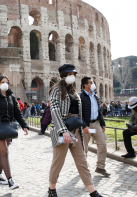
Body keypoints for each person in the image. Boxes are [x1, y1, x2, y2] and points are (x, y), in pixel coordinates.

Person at [48, 64, 103, 197]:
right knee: (58, 162)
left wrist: (84, 125)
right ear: (63, 75)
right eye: (70, 74)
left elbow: (79, 112)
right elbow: (54, 110)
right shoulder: (56, 90)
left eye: (73, 73)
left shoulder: (73, 91)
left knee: (82, 162)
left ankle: (93, 192)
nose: (72, 76)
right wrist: (63, 131)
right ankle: (52, 189)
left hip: (76, 130)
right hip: (62, 129)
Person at [80, 77, 109, 177]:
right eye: (90, 82)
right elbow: (79, 114)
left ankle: (100, 167)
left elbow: (99, 111)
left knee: (103, 144)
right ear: (85, 85)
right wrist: (84, 126)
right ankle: (83, 169)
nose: (93, 84)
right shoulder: (80, 97)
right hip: (86, 125)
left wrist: (103, 123)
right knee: (84, 148)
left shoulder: (95, 96)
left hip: (96, 124)